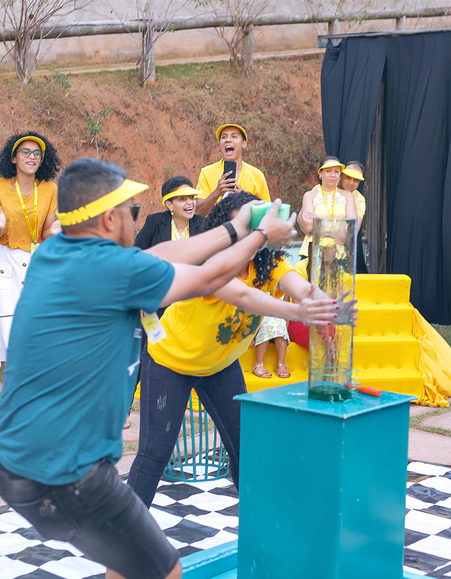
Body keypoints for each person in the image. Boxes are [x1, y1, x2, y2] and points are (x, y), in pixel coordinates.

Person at [0, 158, 299, 579]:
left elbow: (166, 256)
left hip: (26, 464)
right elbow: (209, 277)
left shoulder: (58, 253)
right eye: (132, 210)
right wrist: (261, 234)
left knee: (129, 551)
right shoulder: (108, 270)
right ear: (110, 220)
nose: (139, 216)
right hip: (64, 474)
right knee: (162, 575)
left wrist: (237, 227)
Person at [127, 190, 349, 508]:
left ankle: (261, 523)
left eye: (255, 224)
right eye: (243, 225)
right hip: (171, 362)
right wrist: (297, 312)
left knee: (247, 448)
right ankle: (123, 536)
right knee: (155, 454)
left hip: (221, 365)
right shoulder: (212, 265)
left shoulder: (269, 262)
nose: (252, 233)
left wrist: (326, 304)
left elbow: (302, 288)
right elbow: (244, 297)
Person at [0, 133, 60, 367]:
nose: (32, 156)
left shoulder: (50, 189)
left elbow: (45, 234)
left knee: (37, 333)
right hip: (7, 265)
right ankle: (11, 388)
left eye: (37, 153)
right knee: (8, 336)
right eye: (25, 152)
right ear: (14, 158)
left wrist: (55, 231)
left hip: (38, 264)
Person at [194, 123, 271, 216]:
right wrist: (217, 193)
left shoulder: (257, 175)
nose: (228, 140)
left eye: (234, 136)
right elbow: (198, 212)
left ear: (244, 144)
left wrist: (245, 199)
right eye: (224, 137)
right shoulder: (207, 173)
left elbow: (267, 213)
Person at [297, 157, 358, 258]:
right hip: (312, 252)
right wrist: (339, 224)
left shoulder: (348, 196)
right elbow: (308, 226)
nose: (332, 175)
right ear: (320, 173)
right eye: (328, 171)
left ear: (340, 175)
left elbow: (351, 227)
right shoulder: (309, 195)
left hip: (339, 254)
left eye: (336, 171)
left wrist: (318, 222)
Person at [133, 176, 205, 251]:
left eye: (192, 197)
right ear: (169, 205)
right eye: (182, 199)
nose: (190, 202)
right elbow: (137, 251)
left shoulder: (202, 222)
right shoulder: (155, 221)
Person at [339, 161, 369, 273]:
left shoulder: (359, 199)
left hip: (341, 253)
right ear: (341, 175)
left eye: (356, 180)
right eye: (348, 177)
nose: (351, 182)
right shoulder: (325, 189)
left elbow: (354, 229)